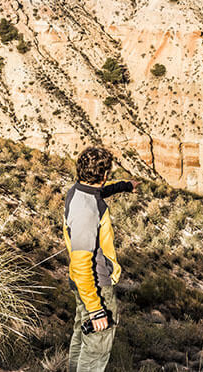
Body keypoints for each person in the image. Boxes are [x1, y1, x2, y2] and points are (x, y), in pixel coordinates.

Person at [63, 146, 138, 372]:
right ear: (104, 175)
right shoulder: (87, 212)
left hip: (80, 284)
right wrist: (96, 309)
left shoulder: (78, 192)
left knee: (81, 333)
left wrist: (125, 186)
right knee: (97, 346)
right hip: (95, 285)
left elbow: (98, 193)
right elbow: (81, 263)